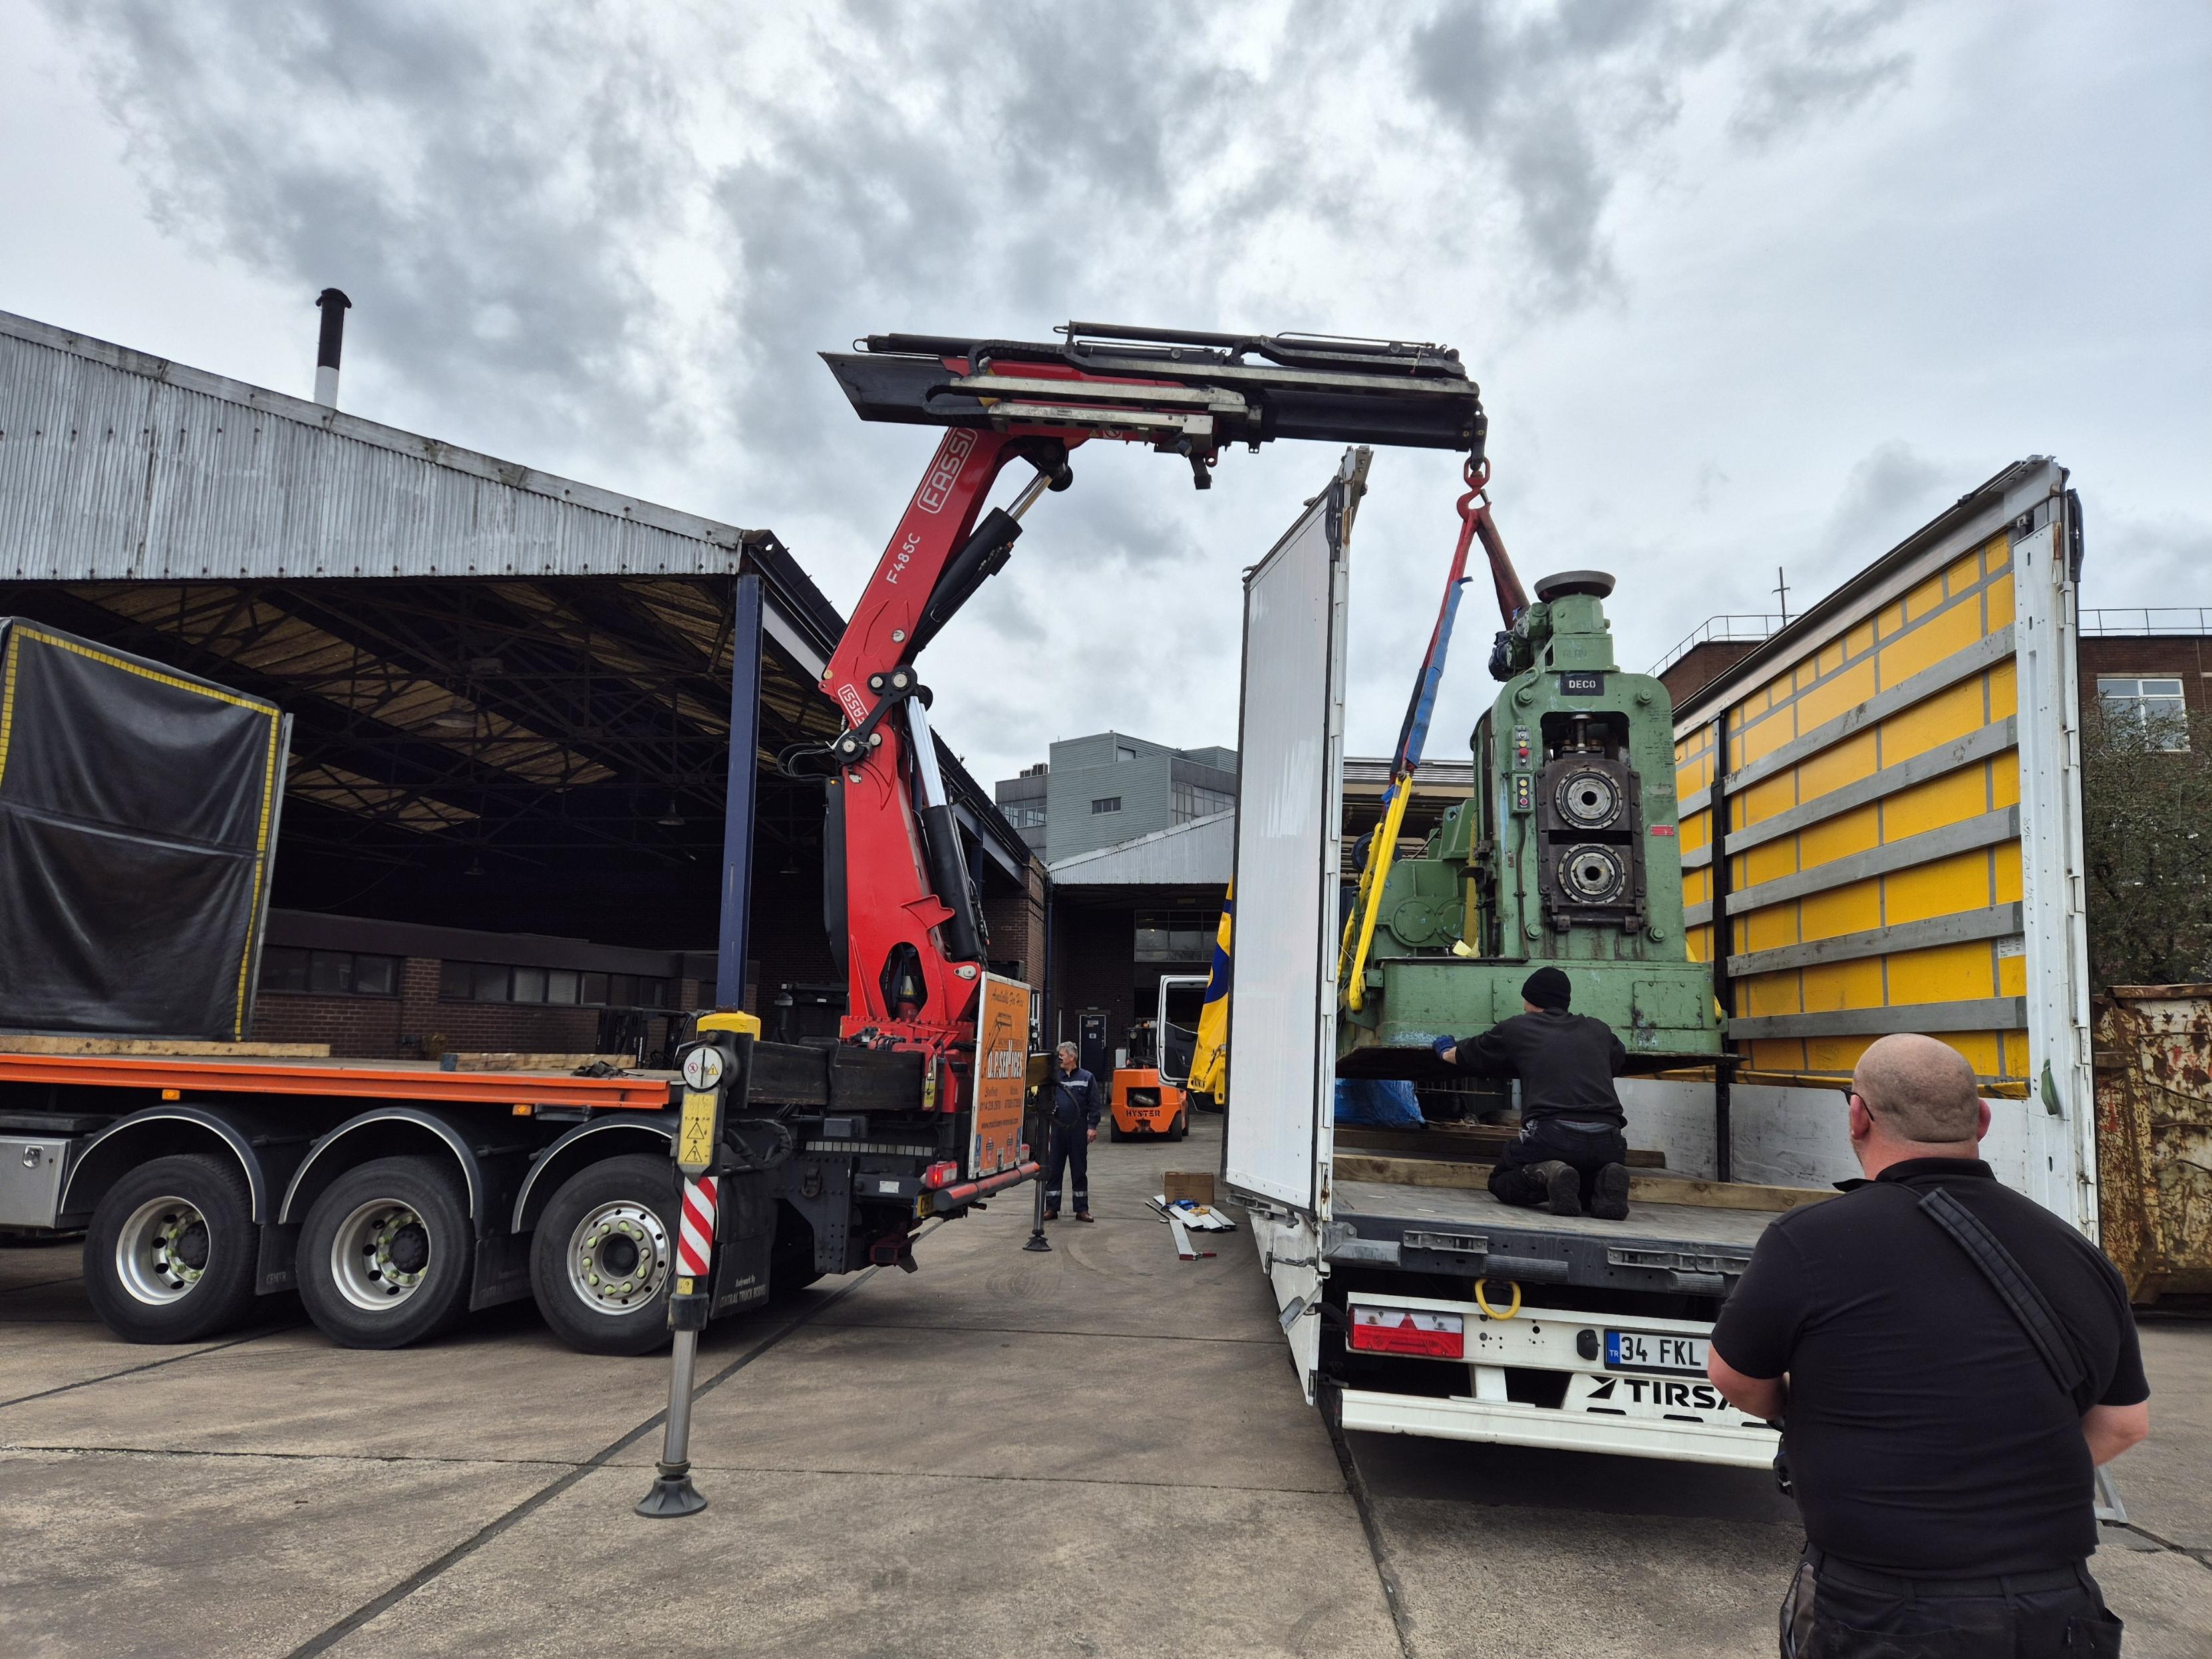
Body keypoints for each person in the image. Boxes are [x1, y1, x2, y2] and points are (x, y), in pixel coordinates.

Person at [1706, 1033, 2149, 1658]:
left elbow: (1733, 1377)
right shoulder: (2080, 1254)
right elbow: (2125, 1423)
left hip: (1882, 1608)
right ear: (1982, 1120)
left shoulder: (1808, 1242)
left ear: (1856, 1116)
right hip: (2057, 1611)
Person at [1432, 965, 1631, 1220]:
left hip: (1553, 1135)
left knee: (1501, 1180)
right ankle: (1605, 1180)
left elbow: (1464, 1056)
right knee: (1582, 1172)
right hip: (1610, 1140)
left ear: (1529, 999)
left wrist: (1443, 1049)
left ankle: (1548, 1173)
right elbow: (1618, 1058)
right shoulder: (1599, 1030)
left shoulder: (1518, 1028)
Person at [1044, 1040, 1102, 1223]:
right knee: (1054, 1169)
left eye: (1062, 1056)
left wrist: (1092, 1127)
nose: (1059, 1059)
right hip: (1058, 1130)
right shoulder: (1055, 1078)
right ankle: (1051, 1208)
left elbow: (1094, 1104)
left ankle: (1082, 1210)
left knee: (1079, 1170)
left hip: (1078, 1130)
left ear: (1072, 1057)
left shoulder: (1087, 1078)